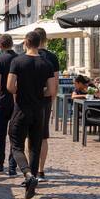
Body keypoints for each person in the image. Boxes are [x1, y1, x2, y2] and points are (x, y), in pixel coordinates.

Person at [7, 30, 57, 199]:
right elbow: (51, 90)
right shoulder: (47, 64)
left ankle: (28, 175)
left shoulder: (17, 61)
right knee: (35, 146)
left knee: (16, 146)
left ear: (27, 42)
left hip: (21, 108)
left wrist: (22, 91)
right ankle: (32, 182)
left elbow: (10, 86)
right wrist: (38, 93)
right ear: (39, 42)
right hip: (39, 110)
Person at [0, 34, 18, 175]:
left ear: (0, 46)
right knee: (14, 135)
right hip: (16, 101)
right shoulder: (19, 58)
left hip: (1, 100)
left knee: (0, 134)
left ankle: (0, 165)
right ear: (12, 44)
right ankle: (12, 167)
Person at [35, 28, 62, 179]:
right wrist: (51, 98)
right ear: (45, 40)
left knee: (30, 136)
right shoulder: (52, 57)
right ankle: (41, 169)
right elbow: (55, 84)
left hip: (30, 100)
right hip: (46, 100)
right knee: (43, 136)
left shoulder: (28, 56)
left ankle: (31, 169)